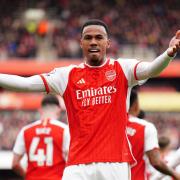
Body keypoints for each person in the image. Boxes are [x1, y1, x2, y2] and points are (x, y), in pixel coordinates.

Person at [0, 19, 179, 180]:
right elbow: (25, 84)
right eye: (88, 37)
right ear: (81, 43)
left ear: (107, 43)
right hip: (77, 165)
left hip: (114, 163)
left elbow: (151, 70)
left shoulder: (122, 68)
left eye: (99, 37)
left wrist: (168, 54)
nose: (93, 41)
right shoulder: (66, 75)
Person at [12, 95, 70, 180]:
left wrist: (27, 176)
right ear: (58, 110)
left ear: (40, 110)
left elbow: (15, 164)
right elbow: (70, 160)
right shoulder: (64, 130)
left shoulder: (25, 130)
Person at [127, 89, 180, 180]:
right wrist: (175, 175)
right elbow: (156, 162)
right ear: (136, 105)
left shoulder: (109, 125)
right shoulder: (144, 127)